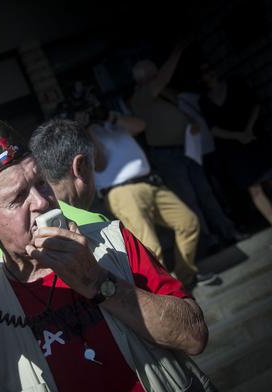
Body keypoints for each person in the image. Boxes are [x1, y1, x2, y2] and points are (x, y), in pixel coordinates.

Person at [0, 112, 249, 392]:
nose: (43, 202)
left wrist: (97, 281)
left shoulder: (113, 241)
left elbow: (194, 336)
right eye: (18, 199)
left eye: (42, 183)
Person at [36, 113, 201, 288]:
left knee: (189, 222)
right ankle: (166, 291)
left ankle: (182, 282)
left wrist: (108, 116)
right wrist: (87, 129)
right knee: (151, 249)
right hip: (122, 191)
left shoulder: (112, 122)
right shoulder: (82, 139)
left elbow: (141, 125)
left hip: (149, 182)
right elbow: (100, 163)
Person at [130, 41, 240, 256]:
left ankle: (228, 232)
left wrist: (191, 122)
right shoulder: (141, 95)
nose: (157, 76)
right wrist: (177, 50)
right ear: (143, 77)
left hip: (187, 148)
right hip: (166, 155)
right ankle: (208, 242)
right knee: (188, 198)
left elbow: (180, 110)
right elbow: (162, 80)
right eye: (153, 73)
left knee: (205, 193)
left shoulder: (166, 93)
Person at [199, 64, 272, 226]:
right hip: (234, 148)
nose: (209, 74)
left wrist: (248, 130)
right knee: (254, 189)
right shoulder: (204, 100)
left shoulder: (235, 84)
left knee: (269, 178)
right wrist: (238, 136)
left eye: (210, 69)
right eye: (204, 73)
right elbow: (213, 129)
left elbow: (255, 104)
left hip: (254, 137)